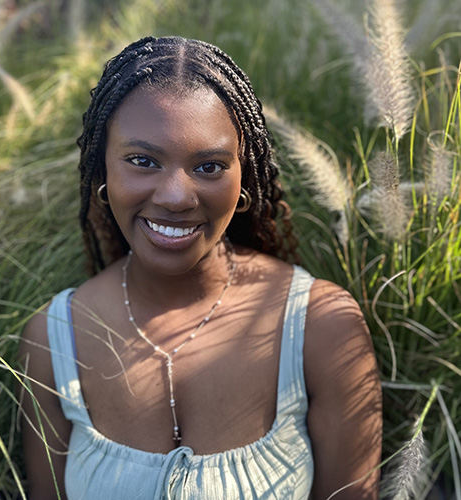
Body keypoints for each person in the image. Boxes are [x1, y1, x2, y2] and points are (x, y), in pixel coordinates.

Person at [19, 36, 382, 500]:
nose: (174, 196)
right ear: (102, 172)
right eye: (142, 161)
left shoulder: (322, 326)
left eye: (209, 166)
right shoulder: (53, 338)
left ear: (243, 178)